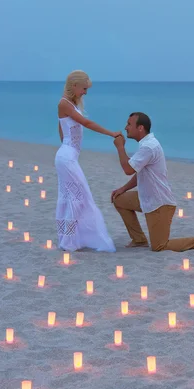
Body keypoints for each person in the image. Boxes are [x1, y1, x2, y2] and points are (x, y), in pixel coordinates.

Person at [111, 112, 194, 252]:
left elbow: (128, 169)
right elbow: (140, 174)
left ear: (140, 128)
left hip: (160, 204)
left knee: (159, 246)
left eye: (129, 124)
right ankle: (138, 240)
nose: (126, 128)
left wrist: (120, 147)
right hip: (146, 198)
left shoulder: (148, 147)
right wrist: (123, 189)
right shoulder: (146, 145)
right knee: (119, 199)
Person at [56, 70, 117, 252]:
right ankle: (68, 241)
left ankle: (70, 239)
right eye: (84, 88)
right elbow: (86, 124)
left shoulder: (71, 105)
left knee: (74, 197)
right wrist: (111, 133)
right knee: (78, 197)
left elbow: (62, 130)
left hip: (67, 156)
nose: (85, 92)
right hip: (66, 158)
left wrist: (69, 149)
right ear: (74, 86)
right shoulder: (64, 103)